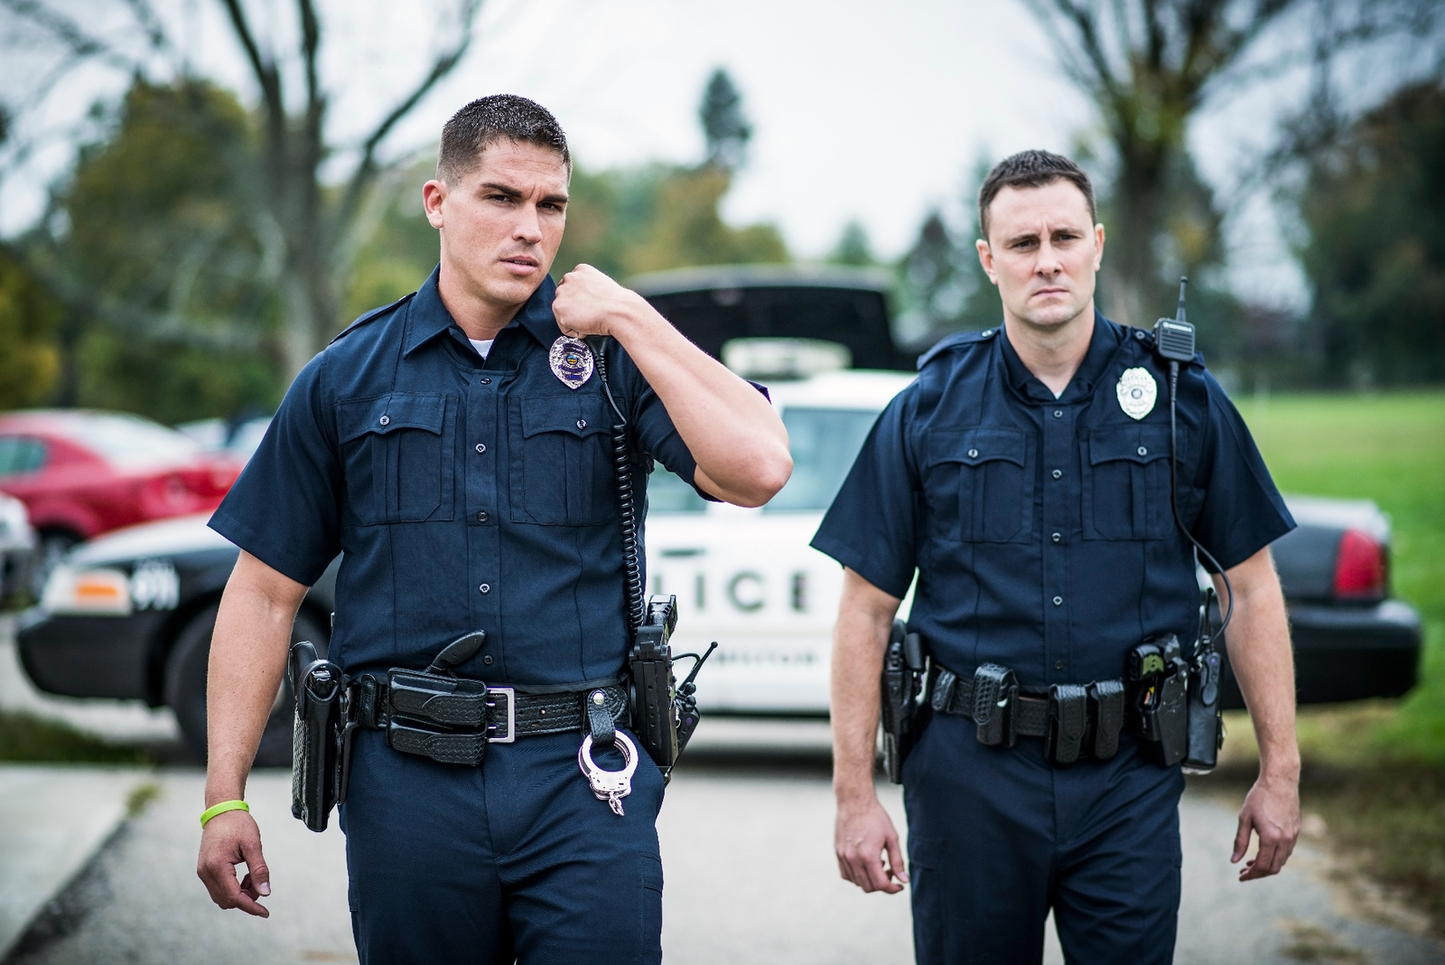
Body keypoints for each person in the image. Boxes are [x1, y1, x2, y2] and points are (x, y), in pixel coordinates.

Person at [195, 94, 791, 964]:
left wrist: (630, 315)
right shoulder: (346, 377)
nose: (530, 228)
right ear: (438, 202)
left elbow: (759, 468)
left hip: (586, 779)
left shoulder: (613, 359)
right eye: (501, 198)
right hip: (407, 784)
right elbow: (262, 590)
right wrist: (222, 795)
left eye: (550, 205)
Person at [813, 150, 1300, 964]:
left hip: (1127, 780)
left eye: (1064, 236)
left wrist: (1279, 770)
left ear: (1097, 244)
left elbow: (1247, 588)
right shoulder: (926, 408)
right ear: (987, 260)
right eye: (1022, 242)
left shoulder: (1181, 399)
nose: (1046, 260)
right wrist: (852, 795)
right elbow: (864, 608)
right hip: (969, 780)